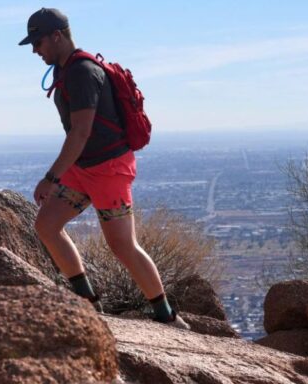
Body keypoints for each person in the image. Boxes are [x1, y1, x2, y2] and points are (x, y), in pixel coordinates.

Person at [18, 8, 189, 330]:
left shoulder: (82, 72)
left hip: (109, 169)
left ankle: (168, 316)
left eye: (38, 42)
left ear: (57, 36)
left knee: (122, 245)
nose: (35, 50)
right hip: (83, 167)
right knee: (47, 224)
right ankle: (87, 302)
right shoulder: (66, 70)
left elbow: (80, 132)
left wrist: (51, 177)